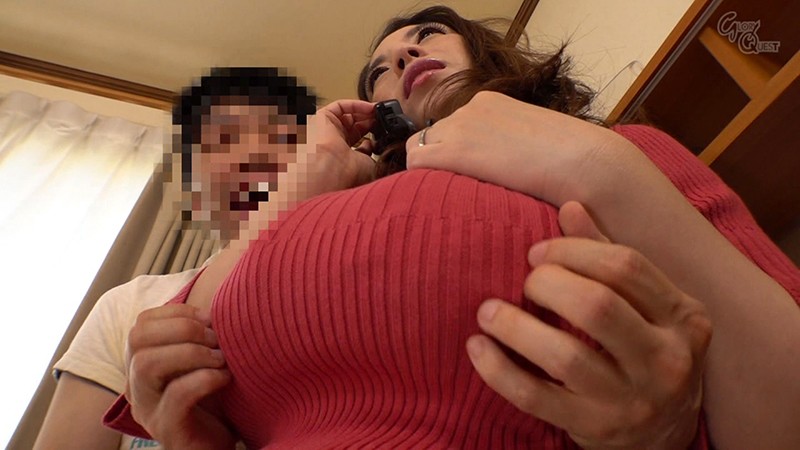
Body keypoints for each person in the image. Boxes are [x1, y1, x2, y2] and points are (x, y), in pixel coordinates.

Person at [106, 6, 800, 450]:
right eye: (379, 70)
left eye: (426, 37)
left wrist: (600, 168)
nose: (402, 59)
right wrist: (306, 178)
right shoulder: (309, 212)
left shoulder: (624, 152)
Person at [33, 67, 317, 450]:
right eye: (222, 140)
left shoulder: (362, 289)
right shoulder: (129, 306)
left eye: (281, 137)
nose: (254, 156)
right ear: (195, 193)